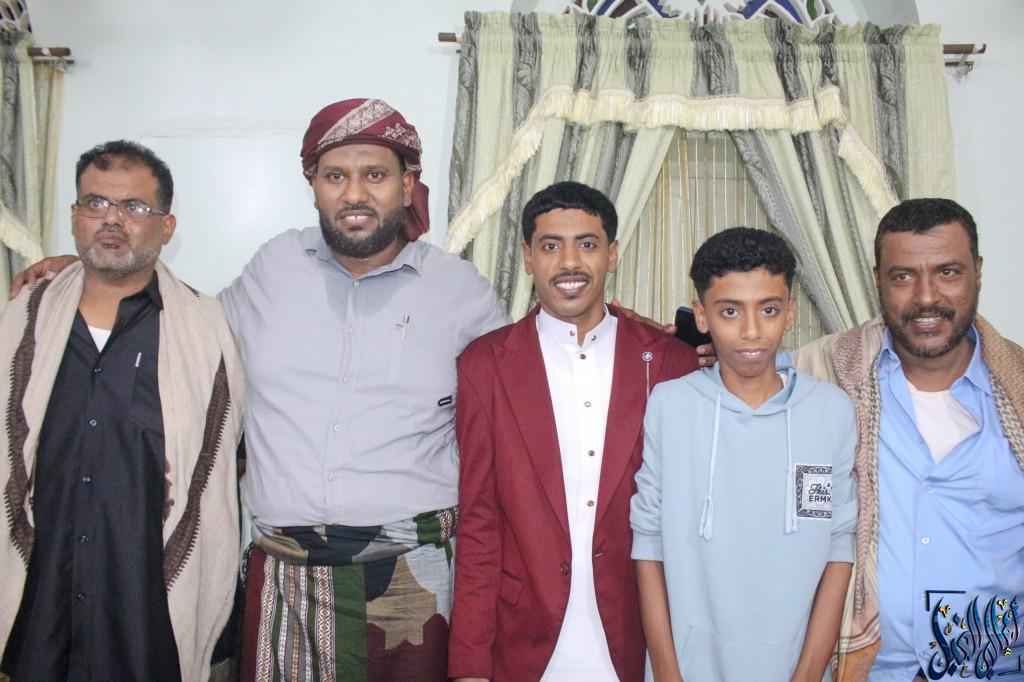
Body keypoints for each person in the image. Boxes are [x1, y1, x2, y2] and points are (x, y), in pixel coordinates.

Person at [221, 99, 509, 681]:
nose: (355, 194)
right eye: (336, 176)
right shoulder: (273, 267)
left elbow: (526, 385)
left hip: (415, 581)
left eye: (375, 175)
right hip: (286, 580)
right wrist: (88, 279)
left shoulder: (458, 290)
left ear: (408, 184)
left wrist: (640, 337)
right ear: (313, 184)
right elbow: (186, 334)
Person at [0, 141, 245, 682]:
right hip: (38, 609)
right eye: (95, 203)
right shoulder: (23, 322)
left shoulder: (206, 332)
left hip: (148, 615)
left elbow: (219, 473)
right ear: (74, 216)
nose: (111, 219)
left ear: (166, 226)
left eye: (134, 207)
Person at [448, 181, 699, 682]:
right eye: (550, 246)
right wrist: (470, 664)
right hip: (522, 640)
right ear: (527, 257)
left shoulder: (670, 363)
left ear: (612, 254)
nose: (569, 262)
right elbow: (478, 522)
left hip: (638, 638)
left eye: (586, 244)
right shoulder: (485, 364)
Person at [781, 198, 1024, 681]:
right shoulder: (823, 374)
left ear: (977, 272)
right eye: (903, 276)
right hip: (862, 669)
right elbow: (736, 359)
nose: (926, 297)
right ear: (878, 280)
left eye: (947, 272)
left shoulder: (1018, 390)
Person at [631, 227, 857, 682]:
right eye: (730, 311)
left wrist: (809, 673)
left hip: (793, 667)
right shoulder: (671, 405)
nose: (751, 330)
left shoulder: (830, 410)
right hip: (687, 668)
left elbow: (838, 546)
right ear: (701, 314)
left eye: (768, 309)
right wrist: (669, 674)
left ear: (790, 311)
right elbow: (648, 542)